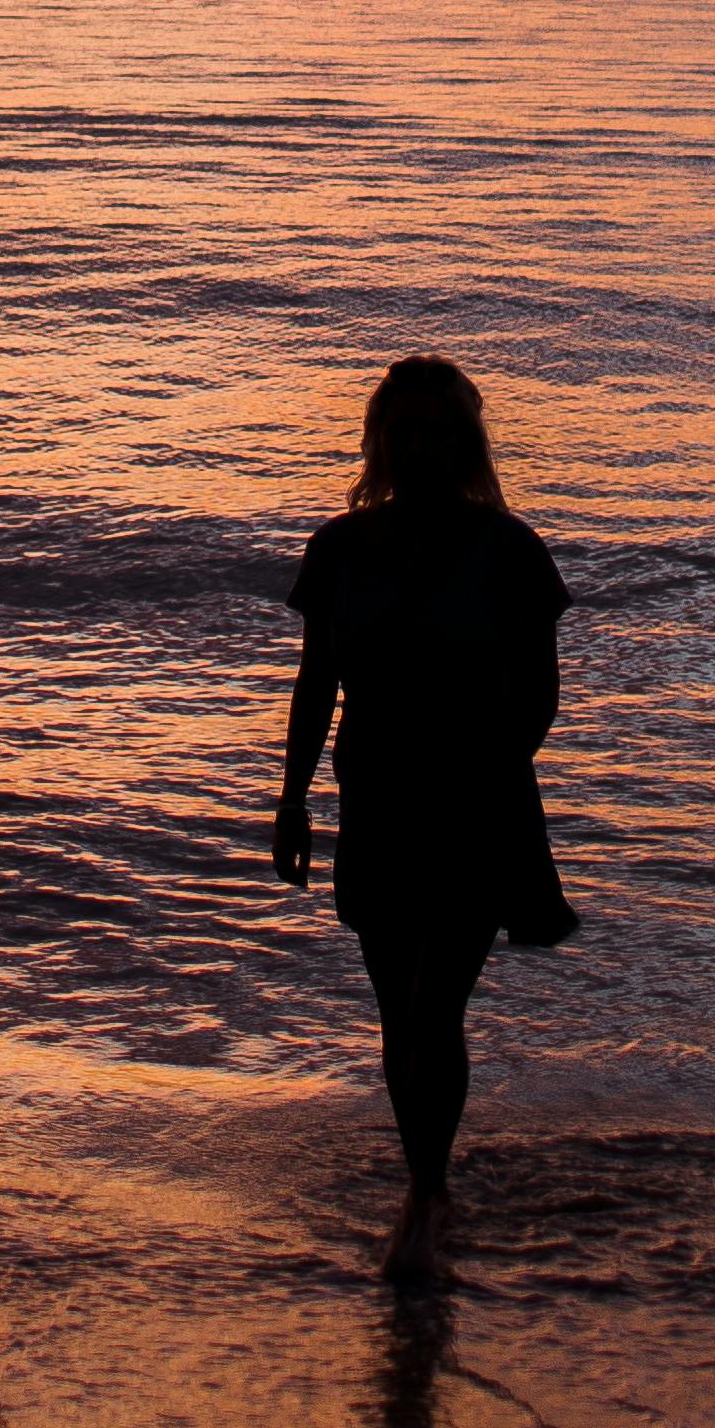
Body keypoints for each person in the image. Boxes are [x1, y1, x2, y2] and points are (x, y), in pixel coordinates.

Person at [270, 354, 576, 1261]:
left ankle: (428, 1195)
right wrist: (291, 803)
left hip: (478, 802)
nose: (415, 446)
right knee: (398, 1011)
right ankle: (425, 1180)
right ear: (378, 442)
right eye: (399, 431)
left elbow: (540, 698)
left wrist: (478, 769)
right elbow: (316, 682)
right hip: (374, 799)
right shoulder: (340, 547)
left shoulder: (510, 549)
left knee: (435, 1001)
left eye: (434, 431)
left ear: (465, 443)